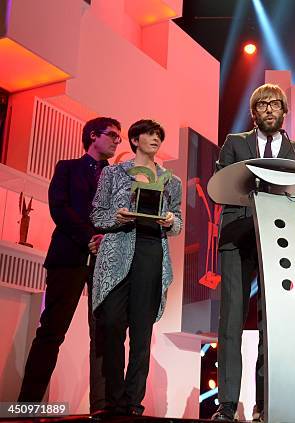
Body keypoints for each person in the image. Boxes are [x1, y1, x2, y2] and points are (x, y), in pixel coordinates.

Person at [212, 83, 295, 422]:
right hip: (237, 238)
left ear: (284, 111)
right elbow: (219, 186)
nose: (269, 109)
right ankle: (226, 406)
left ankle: (267, 405)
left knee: (275, 326)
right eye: (263, 104)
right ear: (254, 112)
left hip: (278, 242)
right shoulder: (235, 143)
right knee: (232, 323)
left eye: (275, 104)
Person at [18, 117, 121, 412]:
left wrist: (105, 240)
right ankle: (27, 406)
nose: (117, 141)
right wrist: (89, 237)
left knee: (102, 335)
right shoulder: (66, 168)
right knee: (51, 331)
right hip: (68, 257)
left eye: (119, 137)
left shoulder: (116, 177)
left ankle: (100, 408)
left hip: (104, 263)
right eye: (112, 135)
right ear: (93, 136)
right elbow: (58, 208)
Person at [91, 119, 182, 415]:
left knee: (142, 332)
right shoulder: (113, 173)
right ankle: (113, 399)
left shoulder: (172, 181)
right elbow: (97, 214)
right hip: (118, 249)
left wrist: (170, 221)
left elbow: (178, 222)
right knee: (112, 323)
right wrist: (117, 217)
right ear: (134, 140)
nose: (156, 139)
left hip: (151, 251)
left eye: (159, 135)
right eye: (150, 134)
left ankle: (132, 403)